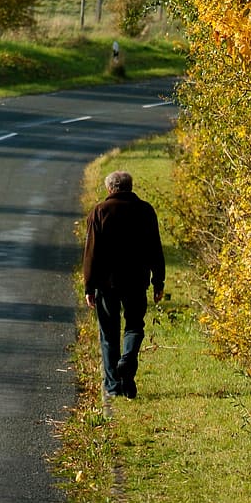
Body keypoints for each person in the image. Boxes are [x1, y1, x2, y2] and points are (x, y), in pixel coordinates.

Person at [83, 169, 165, 399]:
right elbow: (155, 249)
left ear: (110, 189)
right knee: (134, 326)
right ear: (130, 187)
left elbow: (91, 253)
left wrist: (89, 286)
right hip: (137, 280)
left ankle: (113, 385)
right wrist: (158, 280)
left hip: (106, 283)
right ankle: (127, 363)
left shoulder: (99, 212)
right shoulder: (146, 211)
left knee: (108, 333)